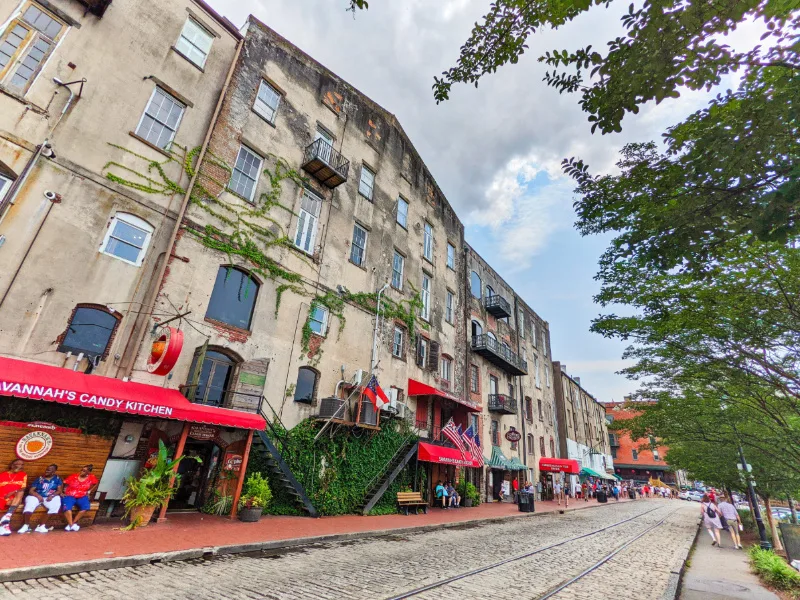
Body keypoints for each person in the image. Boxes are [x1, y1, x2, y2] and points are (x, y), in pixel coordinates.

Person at [18, 464, 62, 534]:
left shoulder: (57, 479)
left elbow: (59, 490)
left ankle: (41, 526)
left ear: (53, 472)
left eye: (49, 470)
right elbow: (31, 490)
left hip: (49, 497)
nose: (46, 471)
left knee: (56, 504)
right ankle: (26, 525)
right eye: (46, 469)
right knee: (29, 504)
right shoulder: (40, 478)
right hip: (37, 496)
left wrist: (52, 495)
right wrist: (38, 496)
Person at [62, 465, 99, 531]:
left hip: (82, 496)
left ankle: (72, 524)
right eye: (82, 470)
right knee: (67, 508)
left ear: (88, 472)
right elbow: (64, 482)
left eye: (84, 471)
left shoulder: (91, 477)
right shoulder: (74, 476)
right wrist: (63, 491)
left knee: (85, 507)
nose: (82, 471)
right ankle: (71, 525)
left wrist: (90, 491)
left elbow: (96, 483)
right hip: (70, 495)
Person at [0, 459, 27, 536]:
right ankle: (5, 525)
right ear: (12, 465)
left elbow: (23, 488)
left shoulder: (23, 475)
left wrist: (13, 492)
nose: (21, 466)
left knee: (20, 492)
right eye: (18, 464)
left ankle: (7, 517)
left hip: (15, 497)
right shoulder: (2, 475)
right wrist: (4, 495)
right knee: (16, 502)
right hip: (3, 497)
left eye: (22, 465)